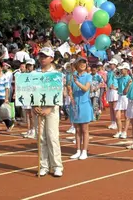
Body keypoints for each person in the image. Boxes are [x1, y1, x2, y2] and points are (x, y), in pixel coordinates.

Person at [33, 47, 63, 177]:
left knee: (52, 137)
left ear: (51, 58)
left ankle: (56, 166)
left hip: (51, 109)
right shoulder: (34, 73)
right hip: (38, 108)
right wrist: (34, 104)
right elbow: (30, 91)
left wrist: (49, 107)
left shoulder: (56, 74)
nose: (42, 58)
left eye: (45, 56)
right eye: (41, 56)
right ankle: (43, 165)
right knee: (40, 138)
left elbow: (58, 92)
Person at [69, 57, 93, 160]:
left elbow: (86, 89)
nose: (83, 64)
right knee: (77, 129)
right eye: (81, 63)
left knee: (84, 129)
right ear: (77, 65)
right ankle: (78, 150)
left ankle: (84, 151)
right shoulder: (72, 77)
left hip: (85, 105)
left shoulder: (88, 76)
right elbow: (69, 90)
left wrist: (77, 82)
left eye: (84, 63)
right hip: (75, 105)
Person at [0, 61, 14, 132]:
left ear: (1, 68)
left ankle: (9, 123)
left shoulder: (4, 77)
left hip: (1, 97)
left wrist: (6, 98)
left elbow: (7, 88)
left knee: (1, 112)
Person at [114, 62, 131, 139]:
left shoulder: (129, 78)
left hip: (126, 97)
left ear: (127, 69)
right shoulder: (119, 78)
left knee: (126, 116)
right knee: (117, 116)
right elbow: (114, 75)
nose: (121, 71)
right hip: (120, 96)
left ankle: (125, 132)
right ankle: (119, 131)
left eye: (122, 69)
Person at [22, 59, 36, 138]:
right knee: (28, 114)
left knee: (32, 114)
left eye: (30, 65)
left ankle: (33, 130)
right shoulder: (26, 74)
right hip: (26, 95)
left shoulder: (35, 74)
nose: (29, 67)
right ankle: (29, 130)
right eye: (28, 65)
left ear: (33, 66)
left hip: (33, 96)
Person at [106, 59, 119, 129]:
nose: (110, 65)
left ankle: (117, 122)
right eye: (110, 64)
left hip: (115, 91)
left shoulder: (117, 71)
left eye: (112, 64)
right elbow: (108, 81)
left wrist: (116, 87)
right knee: (111, 107)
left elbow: (119, 80)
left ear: (115, 64)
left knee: (114, 107)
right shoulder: (109, 72)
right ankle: (112, 122)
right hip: (110, 90)